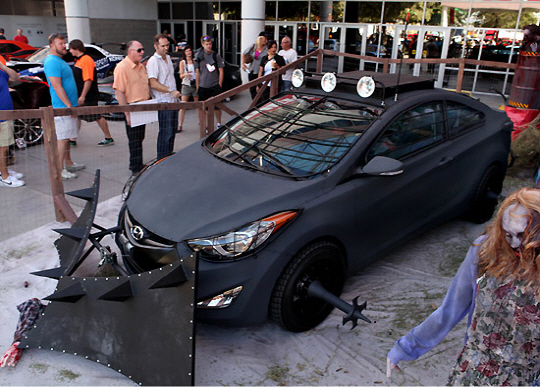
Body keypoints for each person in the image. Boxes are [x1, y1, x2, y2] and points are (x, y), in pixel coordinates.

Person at [387, 187, 540, 386]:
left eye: (522, 235)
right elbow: (451, 307)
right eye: (507, 234)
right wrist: (406, 347)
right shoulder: (486, 252)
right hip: (471, 373)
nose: (513, 244)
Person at [43, 33, 85, 181]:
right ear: (52, 46)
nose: (64, 46)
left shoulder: (59, 61)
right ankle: (59, 170)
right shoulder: (52, 62)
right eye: (60, 44)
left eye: (64, 43)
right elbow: (56, 85)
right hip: (62, 107)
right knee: (62, 139)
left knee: (67, 138)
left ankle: (68, 162)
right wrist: (68, 106)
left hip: (68, 106)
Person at [113, 40, 151, 175]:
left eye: (142, 49)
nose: (142, 52)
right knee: (134, 139)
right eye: (139, 50)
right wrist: (126, 113)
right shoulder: (122, 67)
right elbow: (119, 91)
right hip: (132, 107)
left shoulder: (140, 66)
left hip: (142, 106)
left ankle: (138, 163)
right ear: (130, 52)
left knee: (140, 137)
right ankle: (135, 166)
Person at [68, 39, 114, 147]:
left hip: (89, 95)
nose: (70, 51)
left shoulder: (86, 60)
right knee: (77, 115)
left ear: (76, 48)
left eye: (70, 49)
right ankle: (72, 139)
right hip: (81, 95)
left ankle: (108, 137)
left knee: (97, 116)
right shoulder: (79, 60)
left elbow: (88, 79)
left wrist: (83, 96)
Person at [147, 33, 180, 160]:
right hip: (164, 101)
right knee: (165, 133)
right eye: (163, 46)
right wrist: (170, 90)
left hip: (173, 101)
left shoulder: (168, 58)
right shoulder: (153, 61)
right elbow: (153, 83)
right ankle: (161, 159)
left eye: (167, 45)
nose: (166, 48)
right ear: (156, 46)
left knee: (172, 132)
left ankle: (168, 156)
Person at [0, 60, 24, 187]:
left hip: (6, 114)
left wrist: (3, 66)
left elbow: (15, 77)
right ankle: (4, 176)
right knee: (2, 147)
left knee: (5, 146)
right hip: (1, 117)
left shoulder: (1, 72)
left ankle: (4, 171)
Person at [194, 35, 224, 129]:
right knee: (204, 108)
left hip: (214, 84)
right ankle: (206, 125)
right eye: (206, 44)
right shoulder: (198, 56)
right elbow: (197, 71)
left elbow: (221, 70)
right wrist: (198, 85)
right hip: (203, 85)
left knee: (217, 106)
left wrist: (220, 84)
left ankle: (219, 122)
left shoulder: (216, 55)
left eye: (210, 44)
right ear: (203, 44)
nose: (208, 46)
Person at [178, 45, 202, 132]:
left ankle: (201, 121)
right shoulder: (183, 62)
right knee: (183, 105)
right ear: (184, 52)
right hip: (186, 84)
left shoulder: (195, 61)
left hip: (195, 84)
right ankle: (180, 125)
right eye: (187, 51)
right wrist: (185, 74)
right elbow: (180, 75)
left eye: (190, 51)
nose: (189, 53)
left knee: (198, 105)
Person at [242, 34, 267, 99]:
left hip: (261, 71)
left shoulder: (266, 49)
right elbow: (244, 53)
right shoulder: (253, 46)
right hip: (252, 70)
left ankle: (259, 103)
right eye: (264, 40)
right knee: (252, 89)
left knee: (260, 88)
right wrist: (243, 64)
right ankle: (254, 103)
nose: (265, 41)